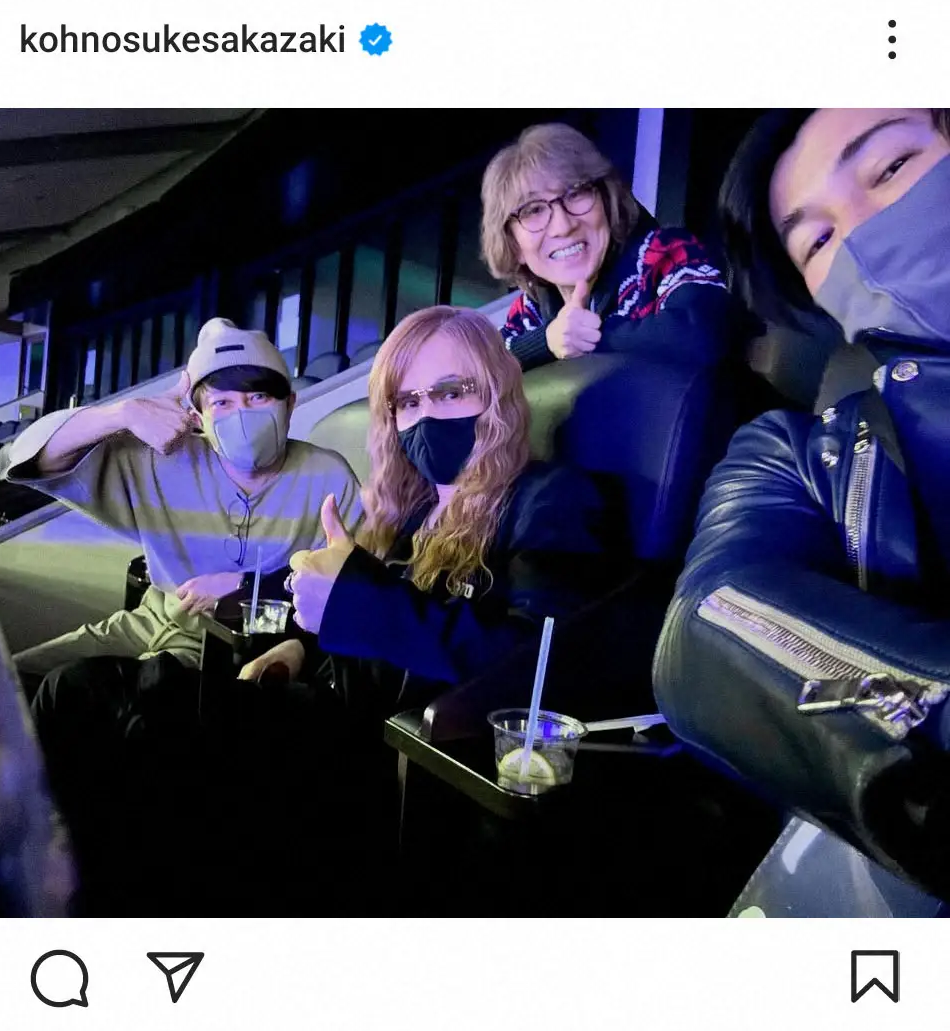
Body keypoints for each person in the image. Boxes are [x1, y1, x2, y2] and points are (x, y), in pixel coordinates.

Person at [653, 108, 950, 904]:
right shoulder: (799, 455)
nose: (861, 233)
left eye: (891, 168)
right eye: (818, 241)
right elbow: (705, 625)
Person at [240, 304, 613, 721]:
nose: (427, 416)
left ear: (495, 396)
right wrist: (302, 647)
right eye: (407, 402)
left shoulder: (552, 500)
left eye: (451, 393)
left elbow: (532, 661)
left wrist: (358, 603)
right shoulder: (408, 507)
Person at [7, 318, 362, 682]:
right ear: (197, 418)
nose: (242, 415)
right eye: (222, 402)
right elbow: (31, 455)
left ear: (289, 404)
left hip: (243, 644)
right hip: (153, 620)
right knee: (9, 679)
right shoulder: (163, 459)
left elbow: (352, 592)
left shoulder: (328, 476)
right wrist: (123, 414)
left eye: (258, 397)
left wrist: (247, 590)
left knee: (91, 690)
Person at [481, 123, 735, 372]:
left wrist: (592, 336)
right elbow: (475, 369)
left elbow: (706, 330)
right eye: (534, 210)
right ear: (513, 243)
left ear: (607, 200)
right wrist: (546, 342)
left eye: (575, 194)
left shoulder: (665, 253)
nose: (563, 226)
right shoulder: (531, 309)